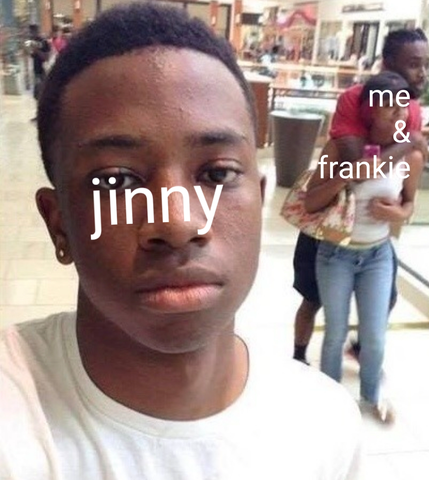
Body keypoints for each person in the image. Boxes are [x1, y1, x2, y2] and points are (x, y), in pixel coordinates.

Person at [0, 4, 362, 479]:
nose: (177, 223)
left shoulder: (324, 425)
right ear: (58, 224)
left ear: (257, 201)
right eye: (116, 181)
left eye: (218, 174)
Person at [293, 28, 429, 364]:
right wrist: (409, 143)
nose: (423, 73)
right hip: (329, 220)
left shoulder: (412, 108)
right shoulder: (355, 99)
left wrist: (402, 212)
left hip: (372, 235)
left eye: (426, 64)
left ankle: (361, 349)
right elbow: (359, 166)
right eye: (414, 64)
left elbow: (406, 178)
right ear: (387, 63)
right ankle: (298, 356)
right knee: (313, 298)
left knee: (387, 298)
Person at [305, 71, 424, 423]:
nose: (400, 113)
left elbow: (410, 204)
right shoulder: (340, 148)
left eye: (403, 106)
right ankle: (331, 402)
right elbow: (311, 202)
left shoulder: (410, 156)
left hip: (378, 255)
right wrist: (348, 173)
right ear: (370, 110)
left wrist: (398, 212)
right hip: (335, 254)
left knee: (374, 338)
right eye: (390, 107)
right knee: (335, 334)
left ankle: (371, 397)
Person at [27, 24, 51, 120]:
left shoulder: (44, 42)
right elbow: (32, 56)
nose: (31, 34)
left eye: (32, 32)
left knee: (41, 94)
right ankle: (40, 114)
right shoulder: (32, 41)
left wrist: (36, 50)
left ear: (36, 31)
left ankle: (44, 115)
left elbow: (46, 57)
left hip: (43, 71)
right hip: (36, 71)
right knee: (37, 95)